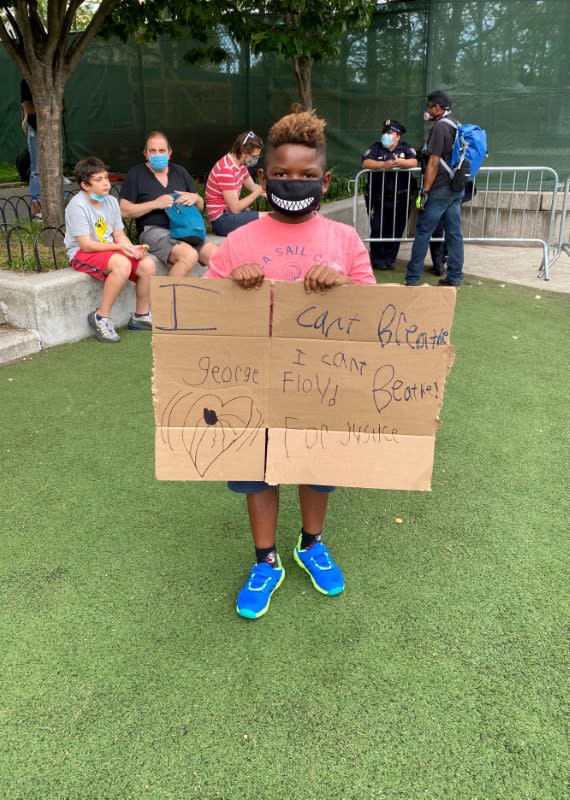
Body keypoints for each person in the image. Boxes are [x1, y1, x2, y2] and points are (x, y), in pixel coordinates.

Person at [204, 109, 375, 620]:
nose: (292, 182)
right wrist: (234, 285)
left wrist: (342, 286)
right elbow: (202, 310)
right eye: (281, 173)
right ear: (263, 176)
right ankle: (266, 559)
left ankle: (311, 543)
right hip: (252, 385)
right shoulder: (239, 242)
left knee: (316, 466)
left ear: (325, 182)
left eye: (306, 176)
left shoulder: (343, 240)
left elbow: (371, 312)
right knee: (258, 472)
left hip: (319, 385)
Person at [64, 157, 156, 344]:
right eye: (99, 180)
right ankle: (101, 317)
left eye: (106, 178)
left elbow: (119, 234)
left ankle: (141, 315)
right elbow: (86, 245)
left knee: (147, 265)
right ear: (85, 185)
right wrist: (120, 248)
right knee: (121, 264)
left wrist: (131, 249)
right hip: (82, 253)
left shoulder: (112, 201)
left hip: (108, 250)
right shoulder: (77, 205)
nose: (106, 183)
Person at [119, 130, 216, 276]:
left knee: (216, 254)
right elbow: (124, 210)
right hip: (154, 230)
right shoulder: (136, 174)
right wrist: (155, 204)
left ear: (169, 153)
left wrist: (196, 198)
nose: (158, 154)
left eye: (162, 150)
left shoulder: (180, 172)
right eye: (153, 151)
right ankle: (166, 299)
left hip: (186, 229)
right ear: (145, 153)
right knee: (188, 255)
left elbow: (201, 205)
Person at [405, 90, 465, 287]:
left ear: (438, 108)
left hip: (440, 188)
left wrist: (425, 190)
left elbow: (433, 162)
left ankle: (412, 278)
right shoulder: (456, 125)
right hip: (456, 188)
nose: (428, 110)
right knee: (454, 232)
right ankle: (455, 276)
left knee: (423, 231)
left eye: (430, 106)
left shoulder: (440, 128)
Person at [361, 119, 418, 270]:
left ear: (398, 136)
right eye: (384, 132)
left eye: (390, 132)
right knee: (378, 228)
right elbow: (365, 163)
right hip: (379, 198)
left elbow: (414, 162)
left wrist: (400, 162)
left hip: (401, 199)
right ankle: (378, 260)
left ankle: (390, 259)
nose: (386, 135)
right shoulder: (376, 148)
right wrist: (383, 165)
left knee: (396, 230)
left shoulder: (405, 148)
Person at [205, 130, 267, 235]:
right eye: (254, 156)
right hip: (222, 220)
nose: (255, 159)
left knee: (269, 218)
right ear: (243, 151)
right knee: (270, 218)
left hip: (230, 214)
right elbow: (235, 208)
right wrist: (260, 190)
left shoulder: (240, 164)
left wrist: (273, 197)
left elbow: (252, 186)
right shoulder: (226, 169)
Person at [20, 79, 41, 219]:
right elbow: (28, 109)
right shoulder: (26, 82)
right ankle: (36, 208)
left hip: (51, 130)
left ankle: (52, 206)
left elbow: (62, 106)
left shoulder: (51, 77)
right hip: (34, 128)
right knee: (36, 169)